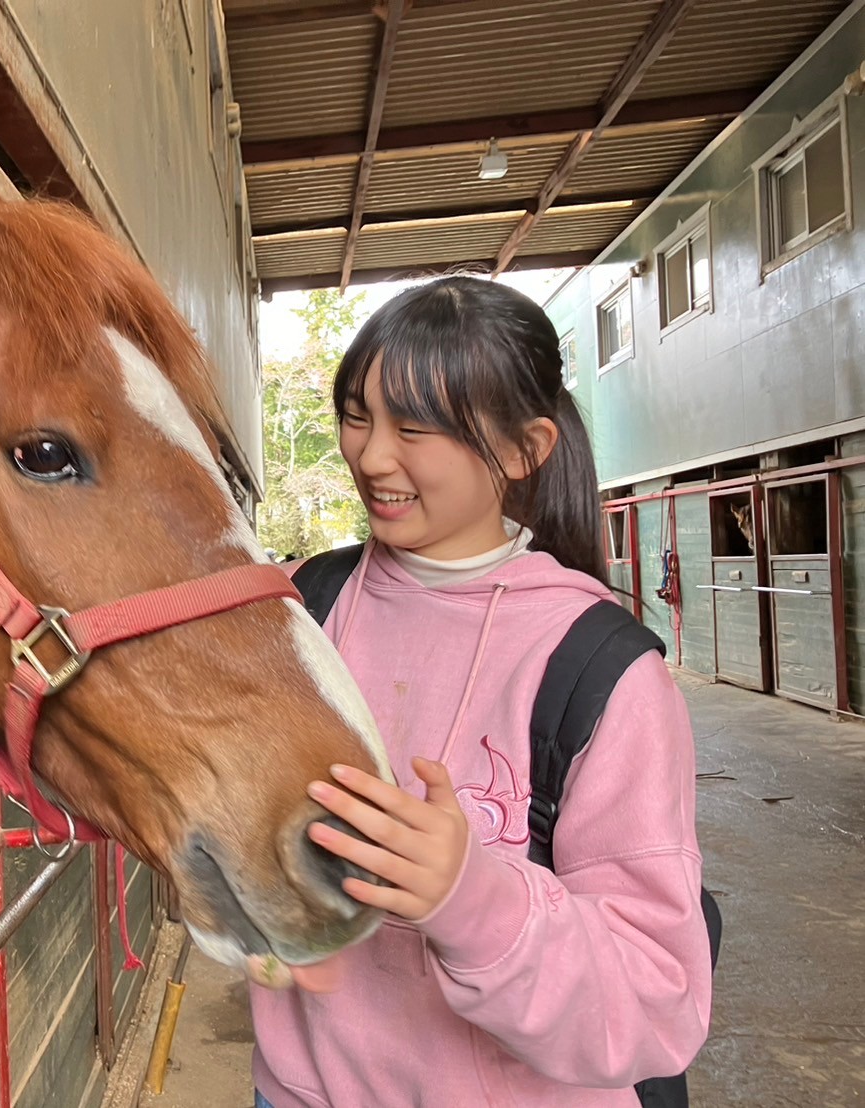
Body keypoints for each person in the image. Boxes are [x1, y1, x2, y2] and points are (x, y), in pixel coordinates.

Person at [251, 276, 712, 1107]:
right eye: (357, 415)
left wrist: (469, 897)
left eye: (415, 428)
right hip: (295, 1092)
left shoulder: (598, 670)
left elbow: (655, 1006)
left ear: (520, 449)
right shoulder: (297, 607)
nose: (370, 456)